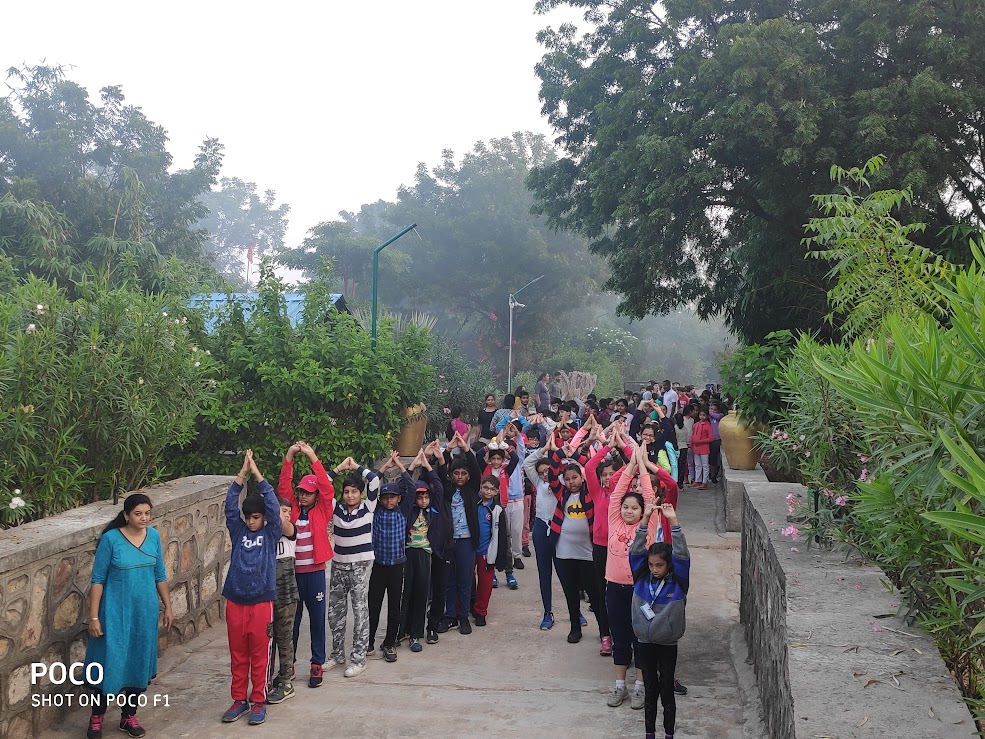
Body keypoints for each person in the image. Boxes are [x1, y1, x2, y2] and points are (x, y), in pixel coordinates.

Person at [85, 494, 173, 739]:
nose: (144, 518)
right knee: (108, 663)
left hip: (144, 614)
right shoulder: (111, 540)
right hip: (114, 613)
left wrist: (168, 606)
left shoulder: (153, 537)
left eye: (147, 513)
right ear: (126, 515)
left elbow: (160, 574)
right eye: (138, 513)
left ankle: (128, 716)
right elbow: (98, 580)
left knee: (138, 662)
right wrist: (94, 617)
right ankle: (96, 717)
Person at [606, 444, 673, 711]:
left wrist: (643, 467)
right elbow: (617, 494)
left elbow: (648, 494)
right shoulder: (614, 520)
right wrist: (631, 465)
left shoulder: (649, 523)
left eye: (635, 508)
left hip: (640, 591)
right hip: (614, 588)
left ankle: (640, 687)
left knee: (640, 639)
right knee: (619, 637)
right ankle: (619, 685)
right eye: (626, 507)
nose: (629, 511)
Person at [220, 450, 281, 727]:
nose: (252, 521)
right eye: (249, 518)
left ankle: (258, 701)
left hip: (261, 602)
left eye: (256, 517)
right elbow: (230, 505)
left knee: (260, 655)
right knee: (238, 654)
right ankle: (238, 700)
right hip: (235, 600)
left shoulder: (271, 532)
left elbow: (274, 506)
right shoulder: (238, 530)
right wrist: (241, 474)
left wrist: (257, 473)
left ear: (264, 518)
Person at [630, 502, 689, 739]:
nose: (654, 569)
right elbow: (635, 550)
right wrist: (644, 520)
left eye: (660, 565)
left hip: (667, 644)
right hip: (644, 642)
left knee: (666, 690)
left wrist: (673, 522)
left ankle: (669, 734)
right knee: (650, 691)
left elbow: (682, 554)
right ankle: (649, 733)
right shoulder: (641, 578)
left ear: (669, 565)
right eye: (652, 565)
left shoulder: (678, 583)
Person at [278, 441, 334, 689]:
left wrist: (312, 455)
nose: (303, 495)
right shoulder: (292, 510)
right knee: (292, 621)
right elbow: (283, 488)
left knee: (317, 620)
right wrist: (289, 456)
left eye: (308, 492)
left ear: (316, 495)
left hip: (314, 574)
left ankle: (316, 663)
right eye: (301, 492)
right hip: (292, 574)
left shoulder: (323, 509)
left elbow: (327, 488)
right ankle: (288, 664)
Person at [326, 456, 381, 678]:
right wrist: (338, 468)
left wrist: (355, 466)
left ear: (361, 494)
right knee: (335, 612)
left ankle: (359, 658)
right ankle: (337, 653)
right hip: (339, 564)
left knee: (360, 611)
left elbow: (375, 480)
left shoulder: (368, 508)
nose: (350, 495)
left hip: (361, 564)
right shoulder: (336, 509)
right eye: (347, 491)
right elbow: (323, 485)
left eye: (354, 492)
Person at [548, 436, 603, 645]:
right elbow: (553, 471)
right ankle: (575, 628)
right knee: (571, 594)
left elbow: (590, 466)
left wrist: (575, 454)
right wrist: (562, 453)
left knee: (595, 594)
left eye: (575, 478)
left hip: (587, 552)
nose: (571, 482)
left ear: (581, 478)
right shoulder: (561, 493)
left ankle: (604, 630)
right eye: (568, 479)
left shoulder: (590, 492)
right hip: (563, 552)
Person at [397, 445, 446, 651]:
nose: (423, 500)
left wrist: (428, 466)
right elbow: (403, 488)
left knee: (421, 594)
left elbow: (439, 488)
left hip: (425, 555)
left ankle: (417, 634)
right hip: (408, 554)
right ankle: (402, 631)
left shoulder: (433, 509)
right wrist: (412, 467)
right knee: (405, 594)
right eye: (420, 497)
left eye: (426, 497)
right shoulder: (408, 509)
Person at [437, 431, 481, 635]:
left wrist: (465, 448)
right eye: (456, 474)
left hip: (467, 541)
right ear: (452, 475)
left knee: (465, 579)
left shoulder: (472, 490)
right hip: (449, 541)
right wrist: (446, 450)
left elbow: (476, 469)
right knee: (449, 580)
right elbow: (438, 472)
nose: (460, 477)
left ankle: (463, 616)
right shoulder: (447, 490)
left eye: (463, 474)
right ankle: (449, 616)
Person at [367, 463, 407, 664]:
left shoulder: (404, 511)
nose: (388, 500)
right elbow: (372, 485)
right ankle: (369, 641)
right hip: (379, 565)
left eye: (392, 497)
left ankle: (390, 642)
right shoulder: (376, 512)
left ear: (399, 498)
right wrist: (384, 468)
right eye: (385, 497)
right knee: (373, 605)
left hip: (397, 565)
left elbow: (410, 485)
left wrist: (400, 466)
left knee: (394, 606)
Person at [266, 496, 298, 704]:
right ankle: (265, 680)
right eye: (282, 510)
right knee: (267, 639)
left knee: (284, 638)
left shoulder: (290, 530)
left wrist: (279, 515)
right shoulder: (265, 533)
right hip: (266, 594)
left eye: (288, 511)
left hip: (286, 594)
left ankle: (286, 682)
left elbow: (284, 525)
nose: (286, 514)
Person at [474, 475, 509, 625]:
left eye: (492, 489)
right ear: (481, 488)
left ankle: (481, 611)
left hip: (487, 552)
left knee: (485, 583)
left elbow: (502, 536)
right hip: (470, 549)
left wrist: (501, 557)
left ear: (496, 492)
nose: (488, 491)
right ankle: (469, 605)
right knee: (467, 581)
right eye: (485, 487)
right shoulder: (474, 504)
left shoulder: (498, 510)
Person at [691, 410, 714, 490]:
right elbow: (693, 435)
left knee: (705, 466)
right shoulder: (696, 425)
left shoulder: (708, 426)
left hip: (704, 448)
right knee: (697, 465)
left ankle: (704, 482)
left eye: (704, 415)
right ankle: (698, 480)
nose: (702, 417)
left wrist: (700, 441)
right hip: (696, 447)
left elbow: (711, 438)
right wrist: (691, 445)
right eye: (701, 415)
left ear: (707, 416)